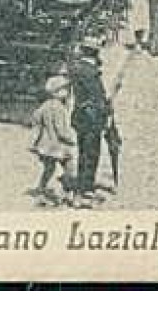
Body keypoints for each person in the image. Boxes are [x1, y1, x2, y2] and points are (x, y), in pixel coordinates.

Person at [68, 39, 113, 200]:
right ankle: (86, 186)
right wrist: (106, 112)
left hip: (81, 116)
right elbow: (97, 98)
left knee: (83, 151)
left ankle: (82, 183)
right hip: (91, 117)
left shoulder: (78, 68)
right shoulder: (90, 71)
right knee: (92, 152)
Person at [29, 76, 76, 204]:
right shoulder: (59, 108)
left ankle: (41, 188)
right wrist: (70, 139)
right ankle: (67, 193)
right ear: (56, 92)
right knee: (69, 167)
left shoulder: (45, 105)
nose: (68, 93)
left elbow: (35, 119)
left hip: (45, 145)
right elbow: (61, 129)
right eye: (65, 90)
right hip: (58, 146)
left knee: (49, 169)